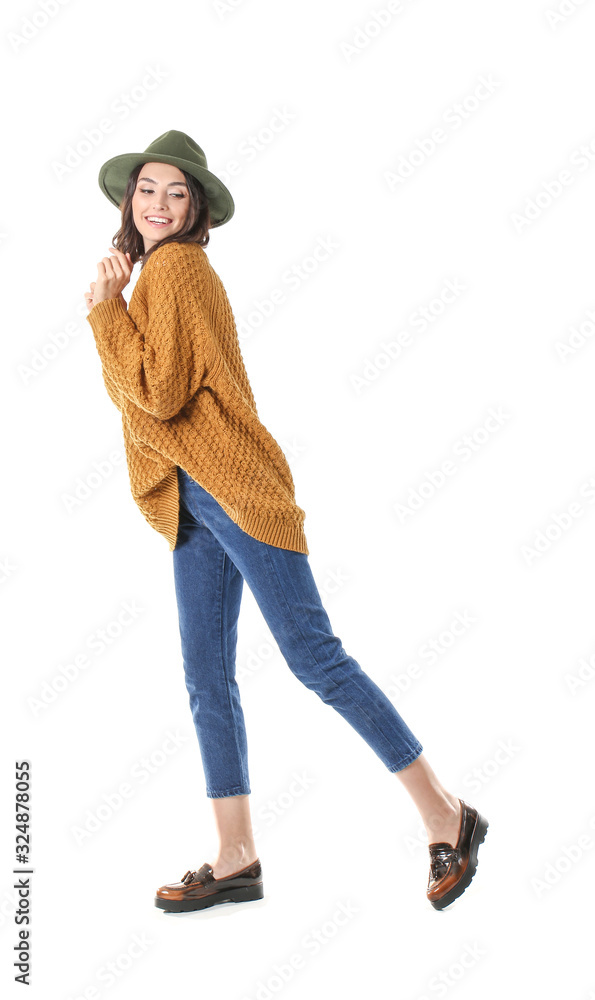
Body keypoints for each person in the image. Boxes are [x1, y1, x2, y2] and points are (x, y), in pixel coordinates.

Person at [84, 130, 488, 914]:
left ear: (195, 208)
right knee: (207, 679)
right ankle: (235, 855)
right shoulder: (155, 279)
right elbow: (143, 402)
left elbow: (157, 394)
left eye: (176, 192)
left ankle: (447, 813)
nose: (159, 204)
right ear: (128, 203)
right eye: (147, 190)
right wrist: (114, 312)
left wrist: (103, 315)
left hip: (236, 492)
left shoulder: (175, 270)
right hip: (193, 499)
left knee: (315, 659)